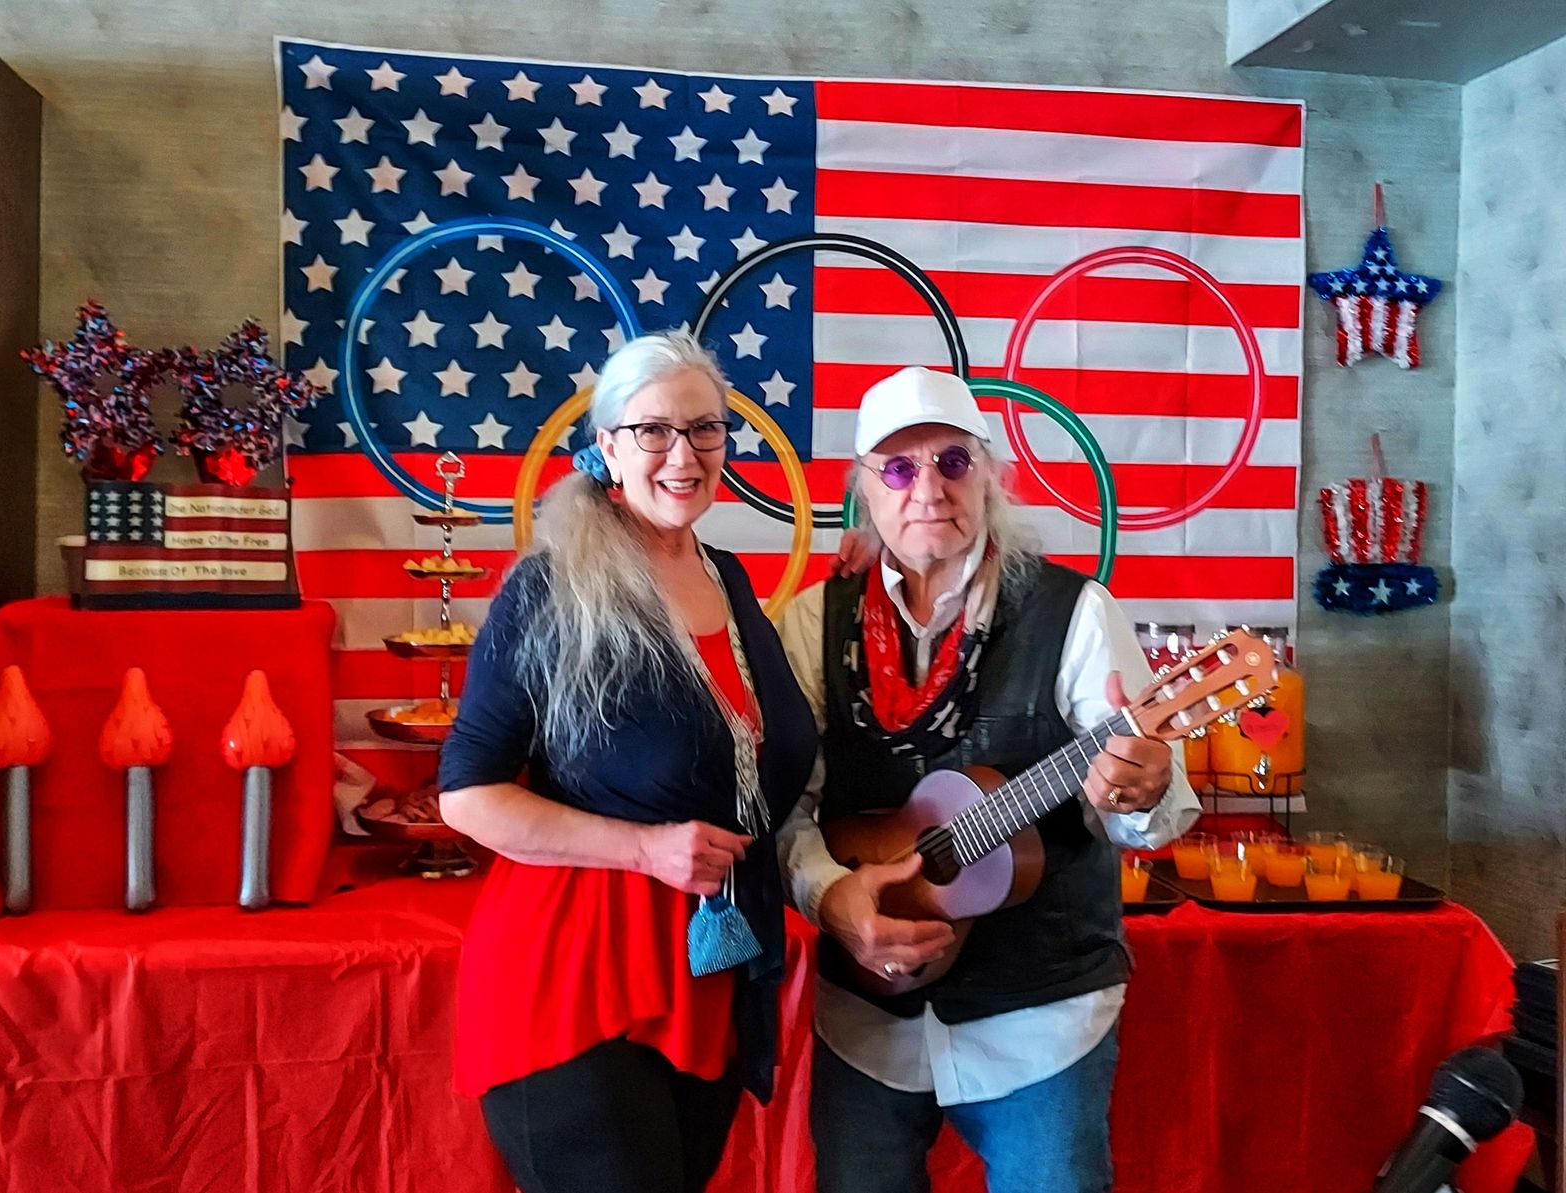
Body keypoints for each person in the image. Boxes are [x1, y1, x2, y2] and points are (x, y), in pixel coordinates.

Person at [776, 366, 1200, 1193]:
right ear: (863, 487)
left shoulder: (1075, 611)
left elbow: (1154, 803)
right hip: (866, 1015)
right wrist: (833, 898)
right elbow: (784, 808)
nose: (928, 489)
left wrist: (1141, 788)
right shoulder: (812, 621)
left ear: (990, 474)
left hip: (1041, 1016)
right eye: (899, 468)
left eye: (952, 461)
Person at [439, 331, 816, 1193]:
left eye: (705, 428)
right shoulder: (550, 588)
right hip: (577, 973)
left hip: (705, 968)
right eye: (654, 431)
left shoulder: (730, 578)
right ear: (607, 446)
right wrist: (643, 849)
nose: (683, 455)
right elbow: (466, 794)